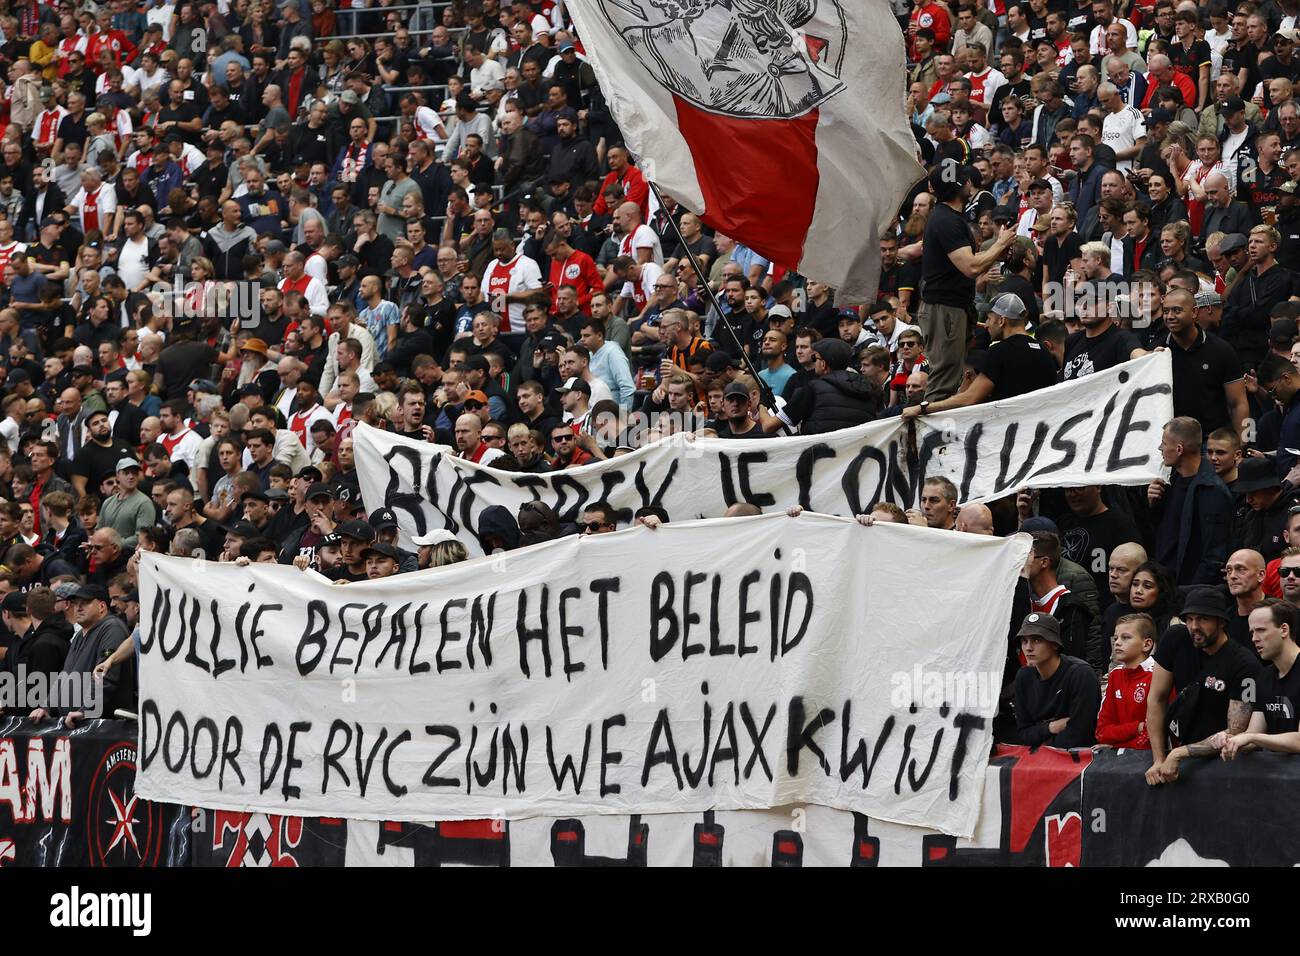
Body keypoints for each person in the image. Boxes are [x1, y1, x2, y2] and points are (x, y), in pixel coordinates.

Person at [1145, 586, 1262, 784]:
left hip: (1224, 762)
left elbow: (1235, 733)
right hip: (1179, 745)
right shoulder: (1176, 638)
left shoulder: (1244, 664)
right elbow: (1156, 698)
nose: (1194, 626)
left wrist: (1179, 754)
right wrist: (1158, 759)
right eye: (1189, 619)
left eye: (1203, 619)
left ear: (1221, 622)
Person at [1148, 417, 1234, 584]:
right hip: (1166, 586)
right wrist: (1154, 505)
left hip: (1188, 591)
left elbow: (1214, 554)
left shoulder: (1211, 490)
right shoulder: (1171, 481)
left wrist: (1191, 594)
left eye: (1164, 444)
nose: (1160, 448)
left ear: (1179, 449)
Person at [1008, 611, 1100, 748]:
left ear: (1055, 644)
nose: (1028, 648)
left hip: (1079, 760)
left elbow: (1079, 734)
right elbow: (1023, 733)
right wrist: (1051, 727)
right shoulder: (1024, 676)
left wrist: (1039, 738)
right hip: (1040, 757)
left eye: (1037, 640)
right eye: (1024, 641)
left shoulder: (1081, 674)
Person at [1223, 599, 1300, 755]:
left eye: (1261, 630)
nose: (1254, 639)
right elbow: (1254, 734)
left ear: (1284, 630)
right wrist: (1228, 740)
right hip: (1279, 775)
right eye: (1252, 632)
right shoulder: (1265, 676)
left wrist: (1253, 737)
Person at [1095, 612, 1157, 749]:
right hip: (1118, 761)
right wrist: (1136, 727)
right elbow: (1102, 732)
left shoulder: (1158, 676)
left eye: (1126, 637)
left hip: (1147, 760)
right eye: (1116, 638)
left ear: (1146, 645)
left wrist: (1116, 745)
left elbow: (1152, 736)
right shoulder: (1115, 675)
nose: (1117, 642)